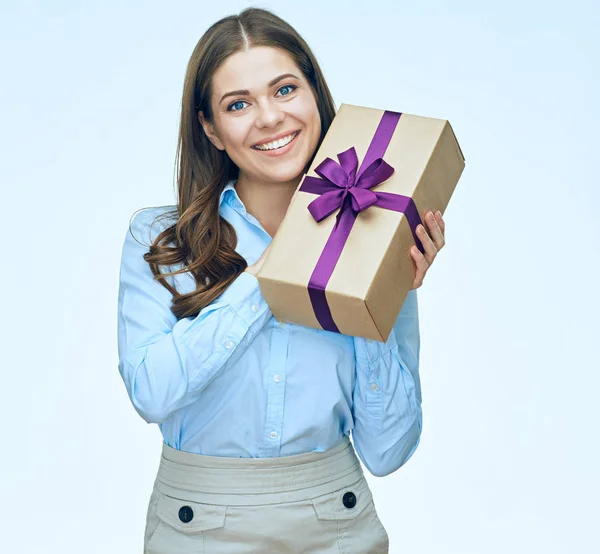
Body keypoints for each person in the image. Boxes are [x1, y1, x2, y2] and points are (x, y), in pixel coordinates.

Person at [117, 7, 446, 553]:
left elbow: (388, 451)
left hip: (338, 524)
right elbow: (152, 393)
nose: (269, 118)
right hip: (197, 525)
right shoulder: (159, 239)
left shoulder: (373, 230)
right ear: (210, 128)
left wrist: (378, 292)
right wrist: (280, 266)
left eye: (285, 89)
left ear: (315, 96)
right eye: (238, 104)